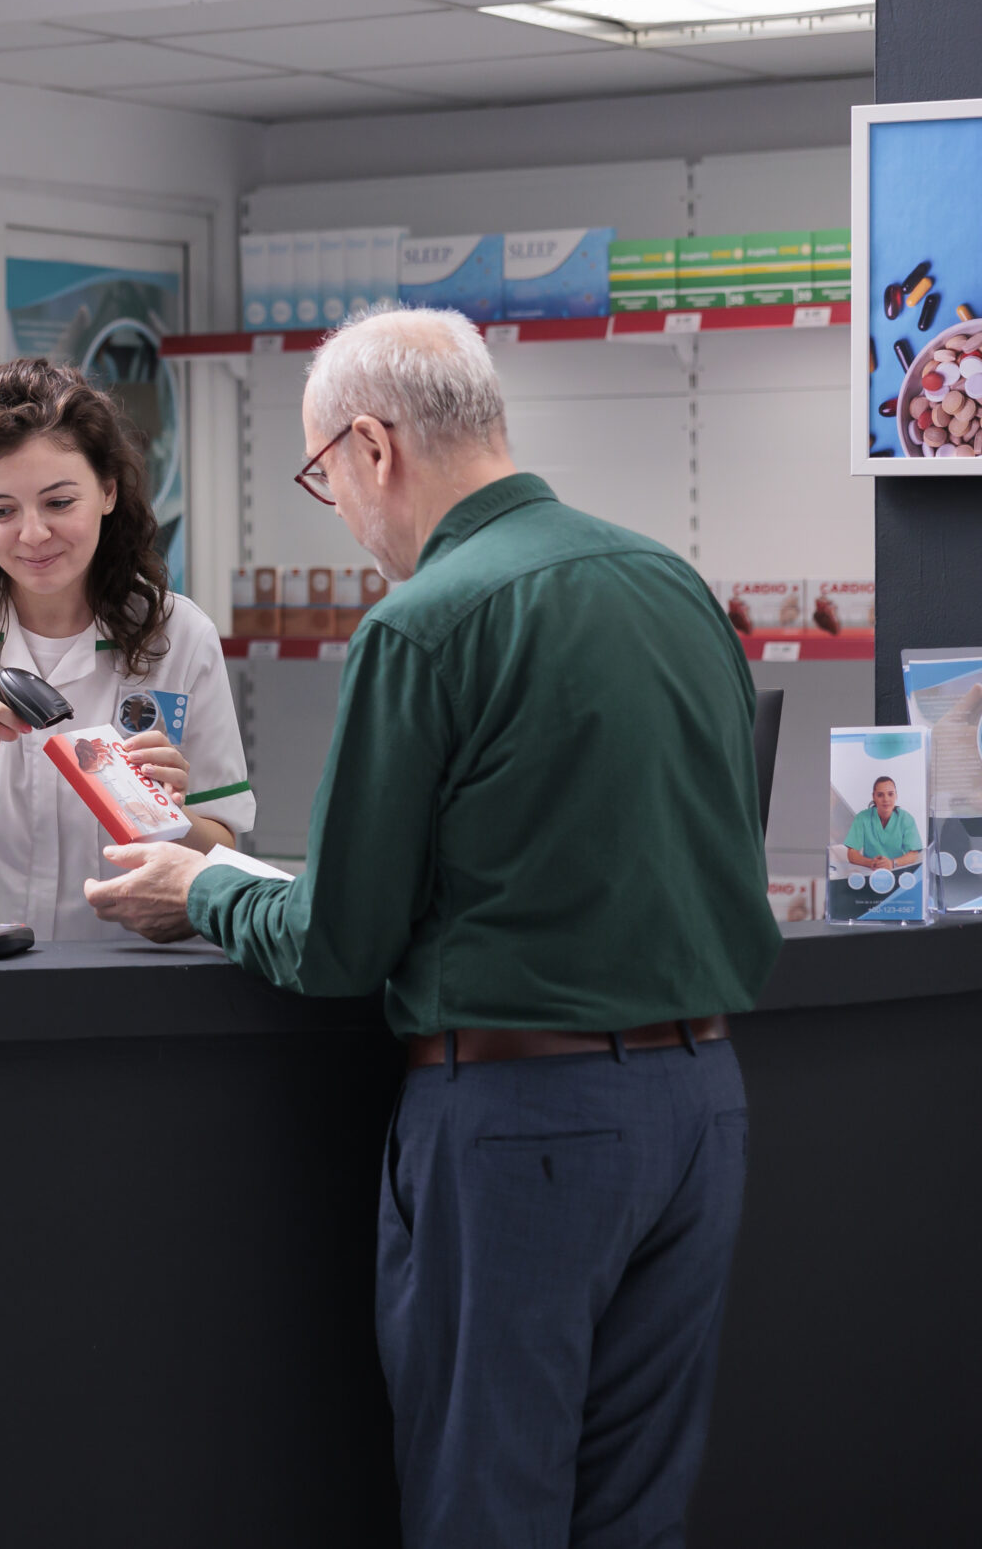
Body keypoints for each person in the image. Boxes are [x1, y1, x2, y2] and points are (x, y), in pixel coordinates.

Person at [89, 308, 779, 1547]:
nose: (341, 515)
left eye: (322, 477)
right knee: (636, 1518)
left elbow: (340, 945)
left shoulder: (421, 624)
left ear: (372, 447)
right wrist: (238, 860)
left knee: (487, 1505)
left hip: (523, 1128)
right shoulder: (673, 587)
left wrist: (200, 888)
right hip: (701, 1109)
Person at [0, 356, 252, 941]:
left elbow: (223, 850)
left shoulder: (177, 636)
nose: (33, 534)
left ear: (108, 492)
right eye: (2, 510)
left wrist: (172, 817)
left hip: (122, 982)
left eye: (59, 503)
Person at [843, 774, 922, 871]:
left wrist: (892, 863)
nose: (886, 799)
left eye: (890, 794)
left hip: (898, 870)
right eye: (880, 795)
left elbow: (913, 854)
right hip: (870, 871)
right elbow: (852, 854)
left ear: (896, 795)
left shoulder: (906, 819)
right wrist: (872, 863)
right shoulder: (862, 818)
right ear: (874, 797)